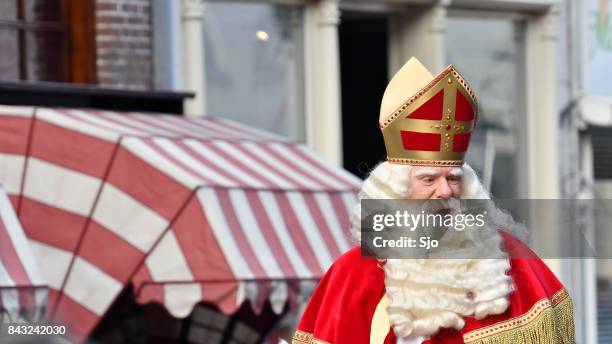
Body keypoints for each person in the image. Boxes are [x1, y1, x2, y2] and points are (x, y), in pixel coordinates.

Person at [292, 58, 575, 344]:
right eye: (429, 179)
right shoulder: (350, 273)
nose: (445, 191)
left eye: (453, 179)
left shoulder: (508, 262)